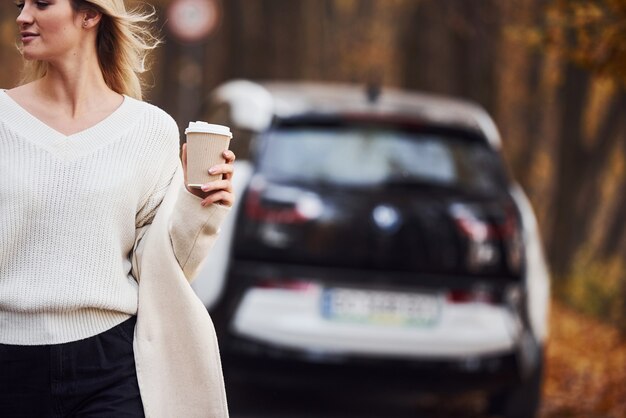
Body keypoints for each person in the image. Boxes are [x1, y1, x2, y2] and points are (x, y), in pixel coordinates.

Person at [0, 0, 234, 416]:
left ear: (90, 15)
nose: (22, 16)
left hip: (111, 365)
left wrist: (199, 204)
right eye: (20, 5)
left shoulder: (150, 130)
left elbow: (162, 267)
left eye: (42, 3)